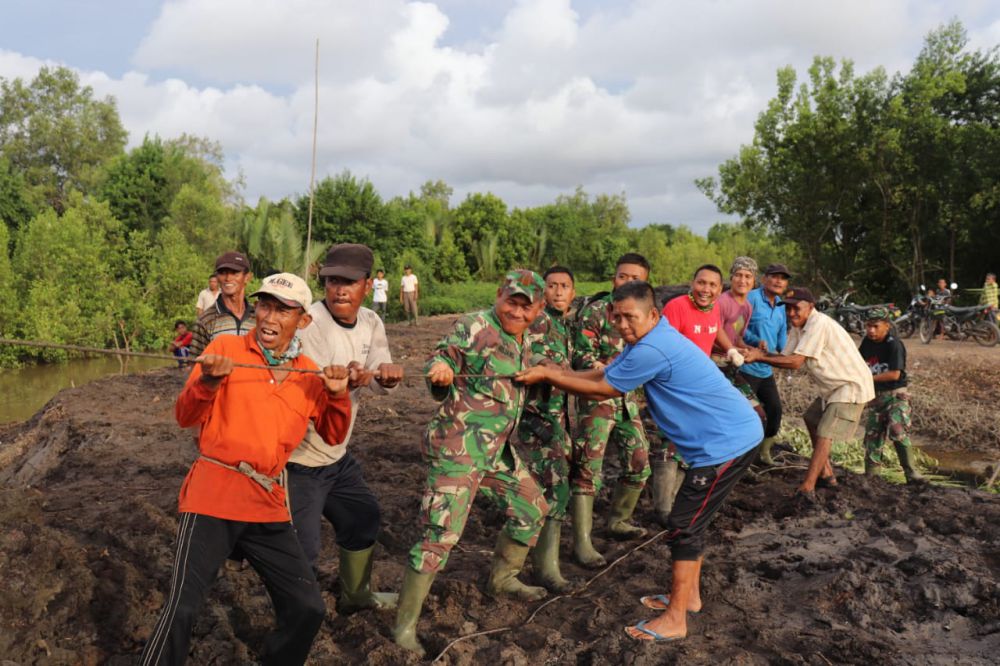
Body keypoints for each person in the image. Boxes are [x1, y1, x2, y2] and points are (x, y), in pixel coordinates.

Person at [516, 281, 763, 643]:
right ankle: (688, 598)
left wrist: (551, 375)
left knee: (683, 524)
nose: (622, 325)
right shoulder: (643, 342)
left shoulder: (654, 348)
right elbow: (603, 374)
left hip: (727, 445)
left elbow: (607, 390)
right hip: (728, 439)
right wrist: (558, 373)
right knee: (693, 521)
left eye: (630, 317)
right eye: (616, 317)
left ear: (653, 315)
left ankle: (676, 618)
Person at [138, 273, 353, 666]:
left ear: (303, 321)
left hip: (267, 502)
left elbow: (334, 435)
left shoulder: (311, 374)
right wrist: (207, 379)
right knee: (182, 608)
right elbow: (185, 416)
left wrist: (339, 396)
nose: (269, 317)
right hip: (213, 495)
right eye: (265, 306)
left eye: (283, 310)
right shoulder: (225, 348)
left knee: (309, 608)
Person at [393, 270, 549, 657]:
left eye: (525, 305)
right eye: (511, 301)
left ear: (538, 309)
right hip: (457, 449)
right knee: (439, 537)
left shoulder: (531, 336)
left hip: (495, 451)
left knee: (533, 508)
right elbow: (442, 358)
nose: (516, 310)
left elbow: (547, 369)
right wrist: (441, 374)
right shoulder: (474, 325)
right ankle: (404, 628)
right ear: (499, 296)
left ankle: (503, 578)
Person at [286, 244, 403, 615]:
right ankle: (295, 616)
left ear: (367, 285)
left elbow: (378, 368)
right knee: (302, 547)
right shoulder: (309, 323)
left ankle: (355, 595)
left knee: (362, 516)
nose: (339, 290)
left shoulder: (371, 321)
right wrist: (350, 378)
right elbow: (320, 384)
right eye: (333, 280)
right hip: (299, 458)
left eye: (349, 282)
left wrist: (387, 377)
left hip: (335, 454)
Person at [570, 253, 652, 568]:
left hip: (626, 401)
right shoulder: (596, 312)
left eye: (635, 278)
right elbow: (580, 353)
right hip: (596, 398)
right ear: (613, 278)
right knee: (588, 470)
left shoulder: (646, 316)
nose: (627, 282)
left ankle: (617, 521)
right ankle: (582, 543)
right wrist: (602, 368)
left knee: (639, 462)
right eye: (622, 276)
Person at [754, 287, 875, 495]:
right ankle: (827, 474)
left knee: (825, 432)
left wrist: (758, 357)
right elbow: (786, 356)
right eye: (788, 308)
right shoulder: (799, 327)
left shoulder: (818, 323)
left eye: (796, 308)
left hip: (850, 385)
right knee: (811, 418)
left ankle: (808, 487)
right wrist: (763, 353)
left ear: (811, 307)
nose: (791, 313)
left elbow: (795, 363)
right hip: (833, 388)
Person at [515, 265, 577, 592]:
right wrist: (550, 367)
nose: (557, 291)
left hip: (555, 419)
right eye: (551, 286)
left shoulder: (563, 325)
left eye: (563, 286)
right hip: (536, 420)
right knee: (554, 489)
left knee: (551, 488)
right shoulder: (539, 321)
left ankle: (541, 563)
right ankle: (545, 569)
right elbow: (535, 355)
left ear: (572, 293)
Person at [859, 307, 924, 484]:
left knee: (897, 430)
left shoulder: (893, 344)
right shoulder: (867, 342)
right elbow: (859, 362)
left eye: (875, 326)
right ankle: (872, 475)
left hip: (896, 395)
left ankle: (911, 473)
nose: (871, 330)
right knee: (873, 435)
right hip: (876, 396)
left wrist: (867, 378)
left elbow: (895, 374)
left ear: (886, 326)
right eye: (868, 326)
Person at [740, 263, 790, 465]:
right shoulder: (751, 298)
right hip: (746, 366)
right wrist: (754, 340)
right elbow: (736, 328)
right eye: (774, 276)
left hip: (765, 369)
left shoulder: (781, 305)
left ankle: (764, 453)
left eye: (783, 278)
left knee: (775, 411)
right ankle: (741, 460)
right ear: (764, 279)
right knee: (747, 415)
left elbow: (781, 339)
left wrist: (788, 354)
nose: (779, 281)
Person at [189, 252, 255, 357]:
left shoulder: (259, 317)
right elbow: (194, 365)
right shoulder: (205, 321)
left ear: (247, 277)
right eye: (223, 273)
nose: (228, 278)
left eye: (235, 273)